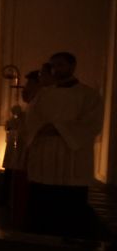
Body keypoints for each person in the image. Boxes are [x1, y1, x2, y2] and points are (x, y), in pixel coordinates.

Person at [21, 52, 103, 237]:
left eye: (60, 65)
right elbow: (31, 118)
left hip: (72, 156)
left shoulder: (88, 94)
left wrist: (59, 128)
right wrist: (40, 129)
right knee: (43, 202)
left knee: (70, 207)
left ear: (72, 67)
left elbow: (92, 123)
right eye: (53, 65)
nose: (56, 69)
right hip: (46, 155)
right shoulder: (43, 94)